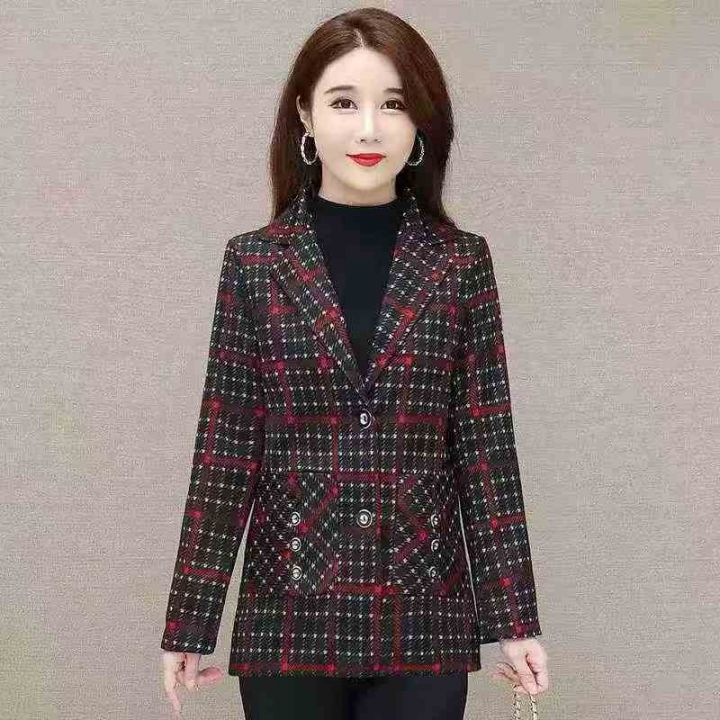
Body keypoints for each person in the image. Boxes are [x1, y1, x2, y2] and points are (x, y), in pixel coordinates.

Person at [160, 8, 550, 719]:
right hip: (288, 613)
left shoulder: (460, 263)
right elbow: (227, 450)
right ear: (304, 116)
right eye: (344, 103)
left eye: (393, 105)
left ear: (421, 123)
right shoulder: (255, 262)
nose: (369, 130)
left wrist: (515, 620)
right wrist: (190, 621)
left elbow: (485, 448)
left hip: (424, 614)